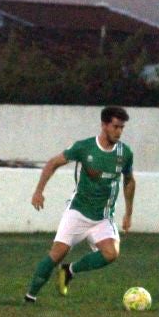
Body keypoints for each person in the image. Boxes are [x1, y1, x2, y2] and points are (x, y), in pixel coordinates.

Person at [25, 106, 135, 303]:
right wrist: (39, 191)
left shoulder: (124, 153)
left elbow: (129, 180)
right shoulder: (85, 147)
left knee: (111, 253)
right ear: (104, 125)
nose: (119, 132)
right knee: (56, 254)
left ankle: (69, 270)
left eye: (122, 128)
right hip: (78, 212)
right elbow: (53, 163)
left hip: (103, 216)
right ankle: (30, 296)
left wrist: (128, 213)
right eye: (115, 127)